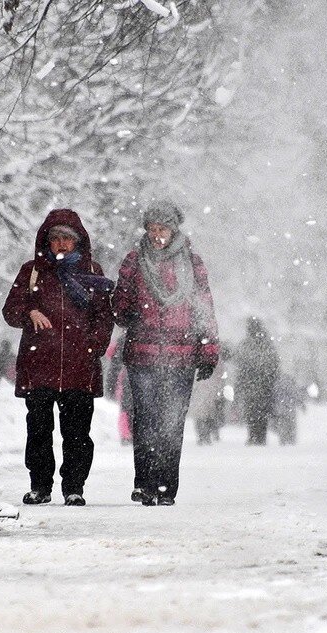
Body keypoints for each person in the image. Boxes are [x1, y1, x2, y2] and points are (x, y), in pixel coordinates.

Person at [2, 209, 114, 507]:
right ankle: (40, 486)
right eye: (56, 239)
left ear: (78, 242)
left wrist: (94, 346)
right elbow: (10, 311)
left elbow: (104, 317)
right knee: (38, 430)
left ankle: (74, 487)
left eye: (68, 238)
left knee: (77, 433)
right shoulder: (32, 271)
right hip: (39, 365)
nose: (62, 244)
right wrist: (29, 311)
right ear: (46, 241)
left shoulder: (92, 272)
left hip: (80, 366)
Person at [112, 200, 220, 506]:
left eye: (164, 229)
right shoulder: (134, 262)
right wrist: (124, 308)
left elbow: (204, 309)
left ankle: (165, 486)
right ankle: (144, 483)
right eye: (153, 229)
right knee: (145, 420)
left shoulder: (192, 264)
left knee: (172, 422)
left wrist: (208, 349)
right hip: (143, 354)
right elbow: (119, 307)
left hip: (181, 355)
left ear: (175, 230)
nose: (158, 235)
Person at [235, 317, 279, 445]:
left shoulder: (247, 344)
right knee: (262, 411)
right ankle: (260, 436)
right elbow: (274, 364)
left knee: (252, 411)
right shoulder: (266, 343)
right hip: (264, 385)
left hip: (251, 384)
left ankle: (254, 435)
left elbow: (241, 364)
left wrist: (241, 383)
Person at [190, 358, 228, 445]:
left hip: (206, 389)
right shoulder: (216, 359)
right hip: (207, 389)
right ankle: (204, 435)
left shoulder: (203, 358)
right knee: (206, 414)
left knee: (204, 414)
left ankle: (203, 435)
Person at [272, 372, 305, 445]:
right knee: (291, 427)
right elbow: (297, 396)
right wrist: (302, 405)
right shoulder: (292, 386)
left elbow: (273, 397)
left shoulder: (277, 385)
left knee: (282, 427)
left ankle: (283, 441)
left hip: (280, 411)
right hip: (290, 411)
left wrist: (273, 408)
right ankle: (291, 441)